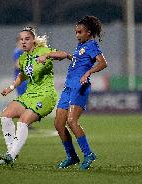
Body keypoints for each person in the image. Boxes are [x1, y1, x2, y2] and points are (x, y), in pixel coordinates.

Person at [37, 16, 108, 170]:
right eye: (76, 32)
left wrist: (88, 73)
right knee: (58, 124)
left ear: (88, 32)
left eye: (80, 32)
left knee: (72, 121)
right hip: (68, 87)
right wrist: (60, 55)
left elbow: (103, 63)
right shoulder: (80, 46)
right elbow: (76, 61)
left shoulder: (91, 45)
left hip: (79, 87)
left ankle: (88, 154)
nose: (77, 35)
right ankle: (72, 157)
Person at [0, 26, 68, 165]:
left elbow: (63, 54)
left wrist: (47, 55)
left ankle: (11, 155)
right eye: (21, 39)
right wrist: (11, 87)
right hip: (29, 95)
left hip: (45, 96)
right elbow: (23, 74)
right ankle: (11, 152)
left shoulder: (42, 50)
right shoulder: (23, 57)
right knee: (5, 116)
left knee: (23, 121)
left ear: (34, 40)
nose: (23, 42)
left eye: (27, 39)